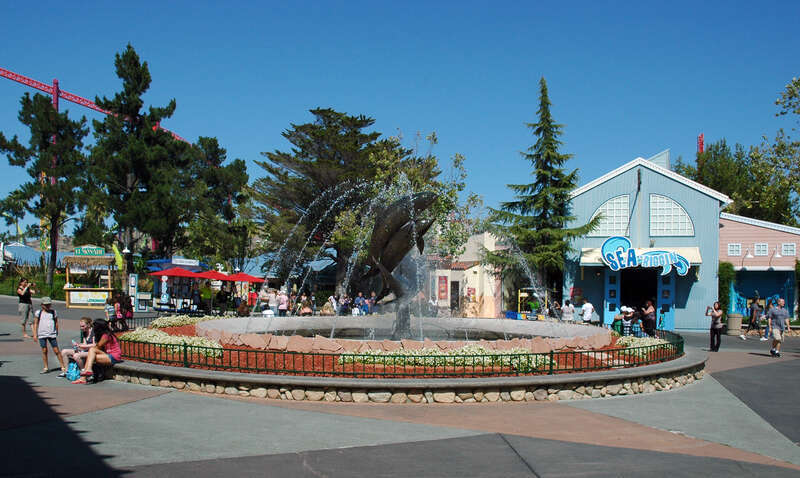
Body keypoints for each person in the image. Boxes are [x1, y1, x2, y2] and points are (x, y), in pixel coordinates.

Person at [74, 319, 123, 384]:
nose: (93, 328)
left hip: (114, 356)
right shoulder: (103, 334)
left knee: (91, 353)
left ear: (99, 327)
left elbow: (97, 347)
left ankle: (84, 376)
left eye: (94, 326)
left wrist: (84, 351)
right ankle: (86, 374)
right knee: (91, 354)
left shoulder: (106, 336)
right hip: (107, 354)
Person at [33, 297, 67, 374]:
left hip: (51, 334)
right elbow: (36, 323)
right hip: (42, 334)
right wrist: (35, 334)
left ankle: (63, 366)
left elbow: (56, 322)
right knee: (44, 350)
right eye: (46, 305)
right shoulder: (39, 313)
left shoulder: (53, 312)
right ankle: (46, 367)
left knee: (56, 350)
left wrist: (56, 330)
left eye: (49, 304)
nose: (48, 306)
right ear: (42, 305)